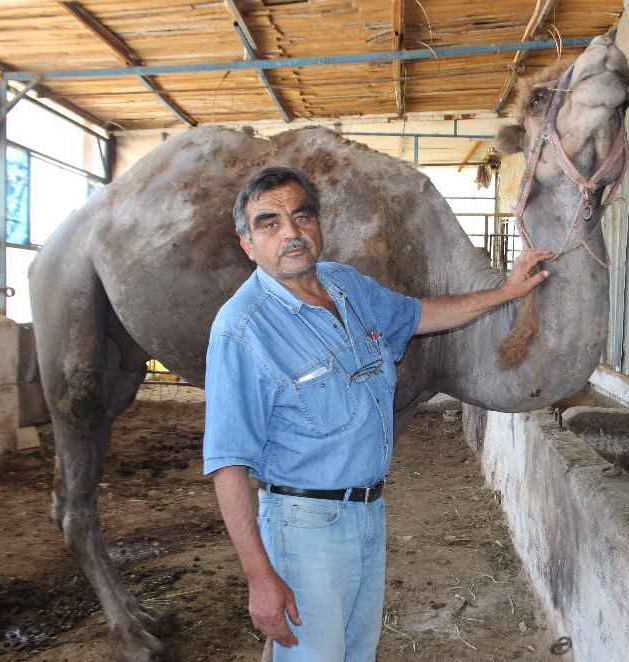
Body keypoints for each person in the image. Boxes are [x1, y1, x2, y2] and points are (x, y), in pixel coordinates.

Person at [203, 166, 552, 661]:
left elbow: (421, 315)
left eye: (301, 217)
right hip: (305, 527)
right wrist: (260, 578)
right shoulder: (241, 330)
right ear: (247, 243)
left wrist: (507, 292)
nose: (291, 233)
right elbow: (226, 462)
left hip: (369, 512)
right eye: (269, 223)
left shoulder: (346, 286)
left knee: (355, 654)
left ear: (319, 225)